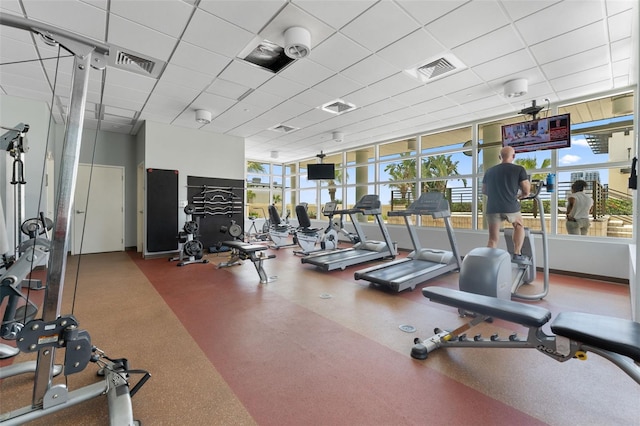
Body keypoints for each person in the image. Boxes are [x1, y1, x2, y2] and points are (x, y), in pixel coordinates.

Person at [482, 146, 531, 263]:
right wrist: (522, 196)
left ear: (500, 157)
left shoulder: (489, 171)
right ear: (513, 156)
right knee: (518, 225)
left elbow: (484, 190)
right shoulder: (519, 169)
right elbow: (526, 190)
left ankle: (488, 262)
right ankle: (517, 253)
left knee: (493, 238)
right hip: (510, 207)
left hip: (492, 207)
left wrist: (497, 195)